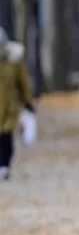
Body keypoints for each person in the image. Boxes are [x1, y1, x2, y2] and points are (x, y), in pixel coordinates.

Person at [0, 28, 34, 181]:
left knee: (6, 137)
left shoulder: (14, 61)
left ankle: (4, 166)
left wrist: (27, 102)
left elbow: (23, 83)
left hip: (9, 106)